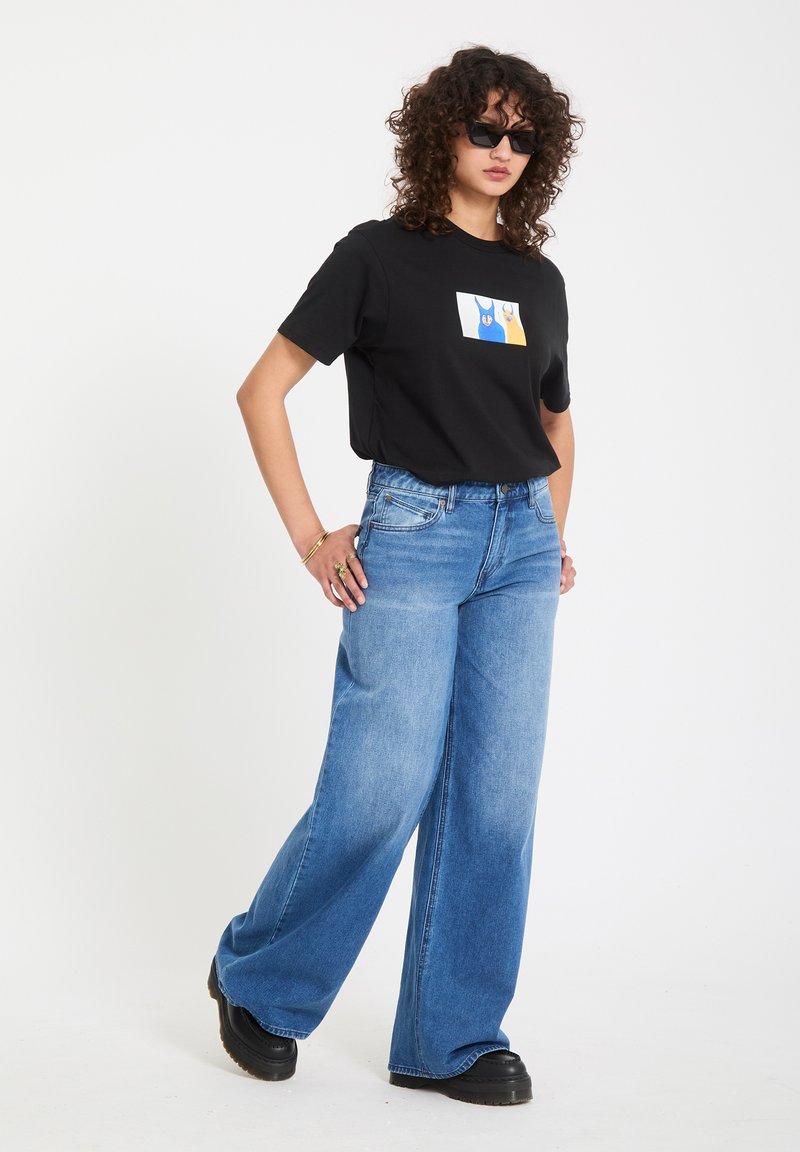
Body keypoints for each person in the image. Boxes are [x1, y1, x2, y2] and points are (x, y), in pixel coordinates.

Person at [208, 44, 582, 1107]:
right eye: (484, 128)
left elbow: (554, 420)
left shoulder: (538, 281)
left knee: (496, 802)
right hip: (414, 533)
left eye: (522, 135)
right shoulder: (378, 257)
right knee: (381, 786)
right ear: (441, 133)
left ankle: (450, 1038)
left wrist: (545, 534)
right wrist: (310, 539)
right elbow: (261, 390)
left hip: (518, 547)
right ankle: (258, 979)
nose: (503, 149)